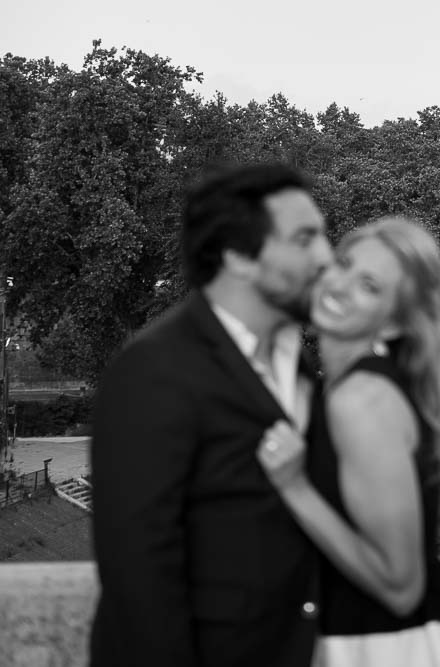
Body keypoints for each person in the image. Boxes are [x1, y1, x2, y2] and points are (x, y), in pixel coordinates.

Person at [90, 163, 333, 667]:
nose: (326, 257)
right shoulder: (153, 369)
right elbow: (139, 572)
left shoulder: (296, 362)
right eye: (305, 239)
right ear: (239, 256)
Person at [257, 216, 440, 667]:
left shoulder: (363, 400)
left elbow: (400, 586)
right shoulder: (353, 388)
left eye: (369, 285)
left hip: (389, 647)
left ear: (392, 325)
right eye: (344, 264)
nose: (340, 285)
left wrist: (294, 488)